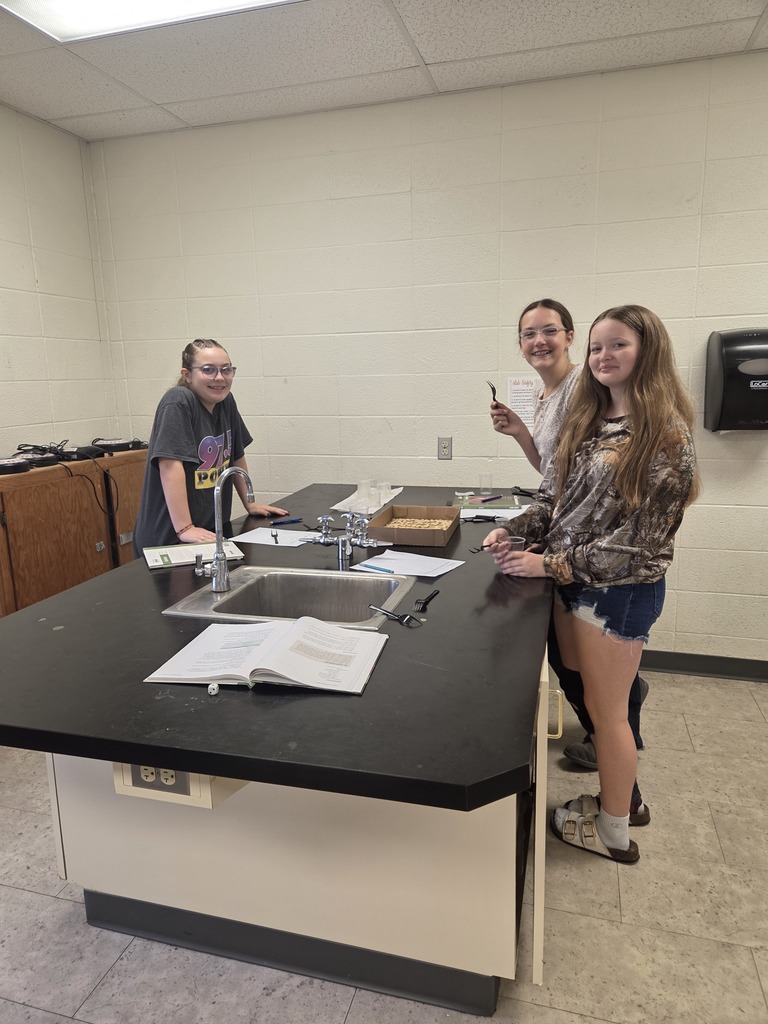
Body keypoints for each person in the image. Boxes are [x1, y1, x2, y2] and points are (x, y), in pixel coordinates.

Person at [484, 305, 698, 862]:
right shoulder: (590, 418)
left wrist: (547, 566)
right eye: (598, 347)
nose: (604, 356)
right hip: (577, 587)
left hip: (618, 593)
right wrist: (515, 528)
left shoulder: (666, 436)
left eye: (618, 344)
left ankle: (613, 831)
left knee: (609, 716)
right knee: (595, 703)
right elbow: (553, 499)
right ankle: (624, 801)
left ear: (648, 350)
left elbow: (638, 546)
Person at [491, 299, 649, 773]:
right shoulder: (546, 395)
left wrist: (552, 541)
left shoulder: (584, 387)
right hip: (566, 534)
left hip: (593, 549)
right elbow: (555, 472)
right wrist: (522, 433)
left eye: (549, 331)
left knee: (580, 662)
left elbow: (593, 479)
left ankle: (617, 728)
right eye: (528, 334)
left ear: (569, 336)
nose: (539, 341)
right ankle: (620, 712)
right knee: (570, 657)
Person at [133, 339, 286, 556]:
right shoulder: (178, 401)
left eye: (226, 369)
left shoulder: (226, 402)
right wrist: (185, 527)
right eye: (208, 370)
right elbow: (170, 466)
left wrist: (249, 503)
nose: (219, 377)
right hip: (168, 539)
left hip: (206, 533)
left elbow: (236, 456)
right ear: (187, 375)